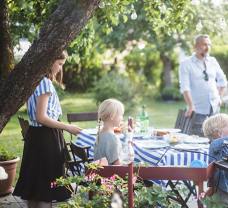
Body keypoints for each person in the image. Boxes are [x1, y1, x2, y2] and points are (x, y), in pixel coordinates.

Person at [13, 51, 81, 208]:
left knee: (36, 185)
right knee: (46, 186)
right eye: (59, 64)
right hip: (46, 138)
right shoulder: (45, 83)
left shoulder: (33, 81)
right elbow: (41, 117)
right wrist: (68, 127)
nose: (60, 69)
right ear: (50, 62)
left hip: (36, 136)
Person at [179, 34, 227, 135]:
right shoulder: (186, 63)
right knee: (197, 139)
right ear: (196, 46)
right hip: (197, 110)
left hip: (214, 109)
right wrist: (190, 105)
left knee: (215, 139)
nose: (207, 48)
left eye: (209, 45)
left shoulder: (213, 61)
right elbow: (185, 87)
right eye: (204, 45)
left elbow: (223, 81)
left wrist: (220, 98)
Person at [202, 113, 228, 206]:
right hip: (224, 190)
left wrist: (210, 186)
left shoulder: (218, 145)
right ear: (219, 133)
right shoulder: (219, 144)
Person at [94, 98, 124, 165]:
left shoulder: (100, 132)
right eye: (121, 115)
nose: (122, 118)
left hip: (100, 173)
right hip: (110, 174)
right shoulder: (112, 138)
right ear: (112, 116)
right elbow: (117, 165)